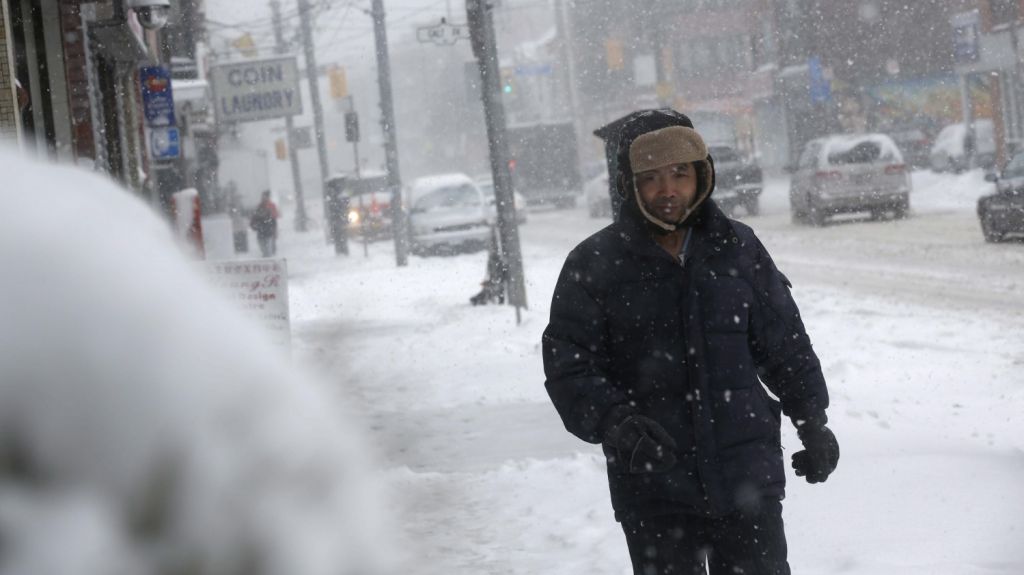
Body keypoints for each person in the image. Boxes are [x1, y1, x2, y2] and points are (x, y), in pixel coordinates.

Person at [542, 109, 839, 575]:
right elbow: (569, 366)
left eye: (680, 173)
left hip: (746, 479)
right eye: (652, 177)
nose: (668, 190)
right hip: (653, 488)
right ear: (629, 184)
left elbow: (784, 344)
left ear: (702, 175)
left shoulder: (738, 248)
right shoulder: (594, 265)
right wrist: (616, 423)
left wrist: (813, 421)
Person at [250, 190, 279, 257]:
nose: (264, 198)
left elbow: (274, 217)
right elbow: (254, 219)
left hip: (268, 229)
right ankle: (268, 256)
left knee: (270, 245)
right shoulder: (259, 206)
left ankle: (272, 255)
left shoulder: (271, 205)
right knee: (264, 247)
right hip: (263, 231)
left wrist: (274, 228)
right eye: (263, 196)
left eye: (265, 196)